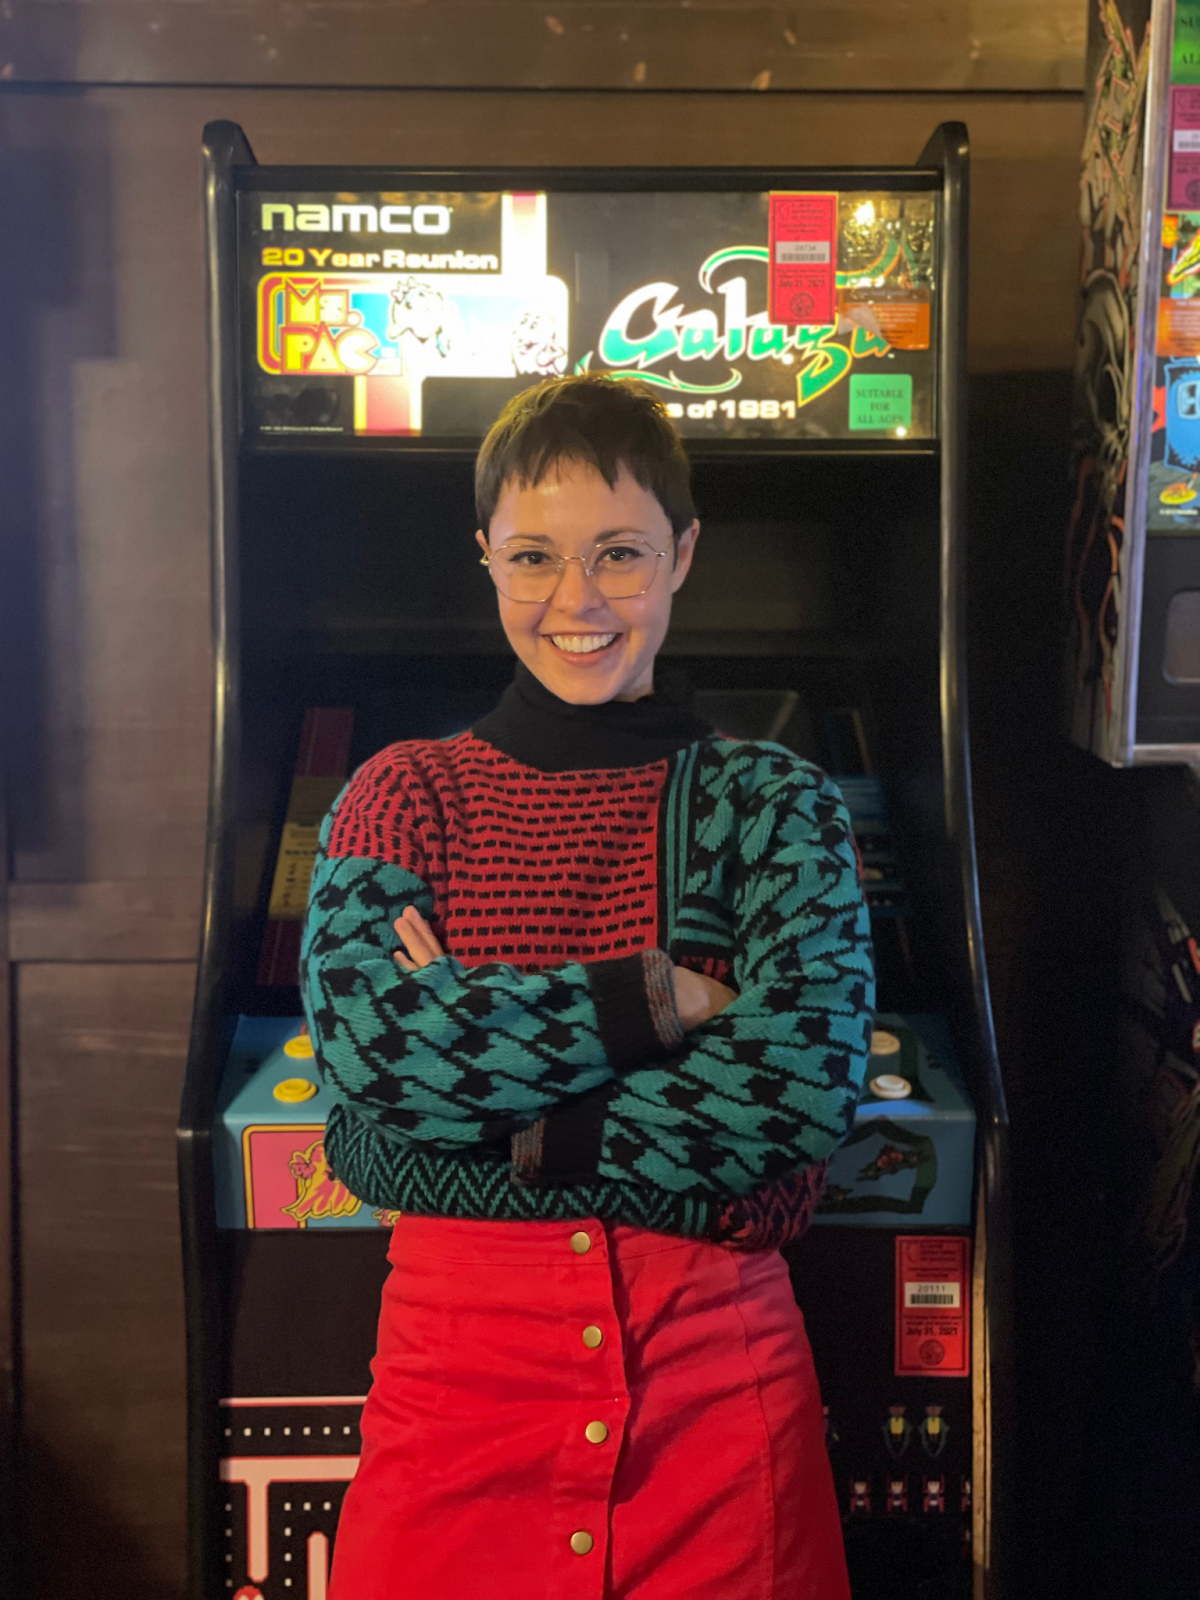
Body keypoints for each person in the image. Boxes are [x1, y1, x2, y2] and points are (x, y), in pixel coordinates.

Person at [300, 374, 874, 1600]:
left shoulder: (776, 802)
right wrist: (655, 1003)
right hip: (455, 1394)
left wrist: (479, 1104)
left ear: (683, 554)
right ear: (484, 559)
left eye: (619, 552)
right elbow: (374, 1070)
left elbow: (791, 1103)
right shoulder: (399, 794)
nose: (577, 600)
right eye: (534, 557)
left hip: (716, 1393)